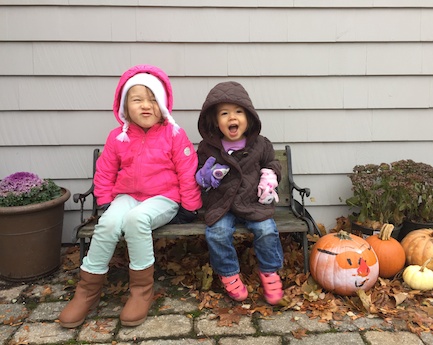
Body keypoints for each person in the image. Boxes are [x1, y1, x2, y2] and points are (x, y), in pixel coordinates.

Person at [59, 65, 202, 328]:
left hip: (163, 198)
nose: (146, 106)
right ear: (125, 105)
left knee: (136, 220)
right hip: (126, 196)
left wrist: (190, 207)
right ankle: (87, 291)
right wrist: (104, 202)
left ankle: (141, 292)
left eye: (152, 99)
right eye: (137, 99)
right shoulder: (118, 138)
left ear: (163, 104)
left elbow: (187, 172)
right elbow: (105, 172)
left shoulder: (173, 134)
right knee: (110, 223)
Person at [195, 81, 284, 305]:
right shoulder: (208, 147)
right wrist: (208, 176)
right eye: (224, 113)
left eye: (238, 112)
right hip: (222, 204)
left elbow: (272, 163)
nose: (231, 118)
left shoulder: (261, 145)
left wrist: (270, 177)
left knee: (266, 230)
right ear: (215, 121)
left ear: (249, 117)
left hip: (252, 202)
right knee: (217, 233)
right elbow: (200, 175)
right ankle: (229, 273)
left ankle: (270, 272)